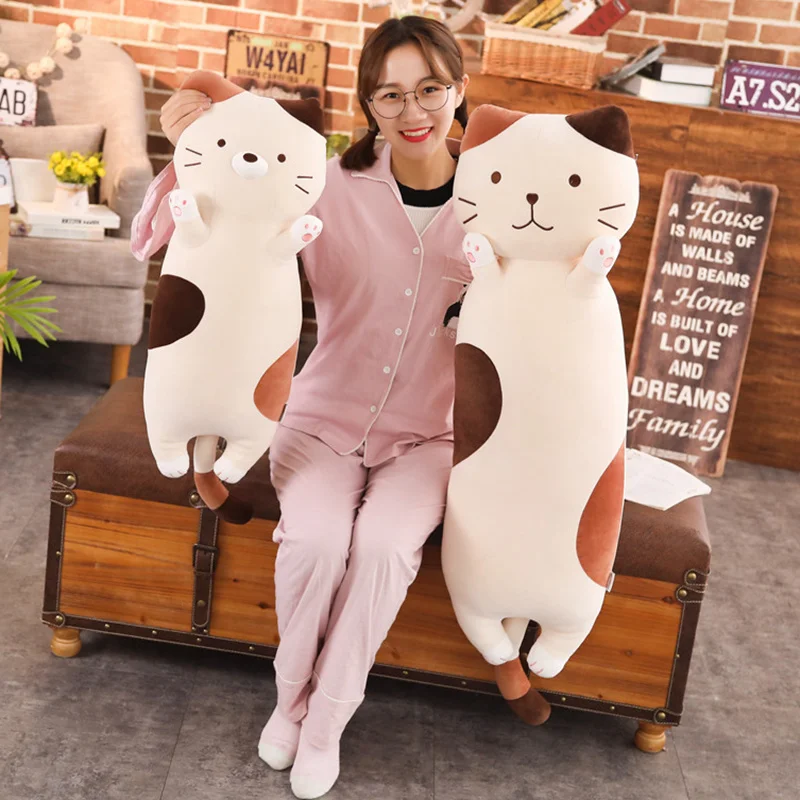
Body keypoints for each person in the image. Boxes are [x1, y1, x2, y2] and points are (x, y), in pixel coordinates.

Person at [149, 15, 473, 800]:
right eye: (389, 95)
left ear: (459, 89)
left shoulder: (495, 201)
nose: (412, 111)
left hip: (427, 437)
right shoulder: (320, 181)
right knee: (317, 544)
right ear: (368, 104)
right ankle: (289, 702)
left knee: (385, 549)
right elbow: (200, 227)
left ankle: (327, 721)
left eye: (430, 89)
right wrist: (189, 152)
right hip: (321, 418)